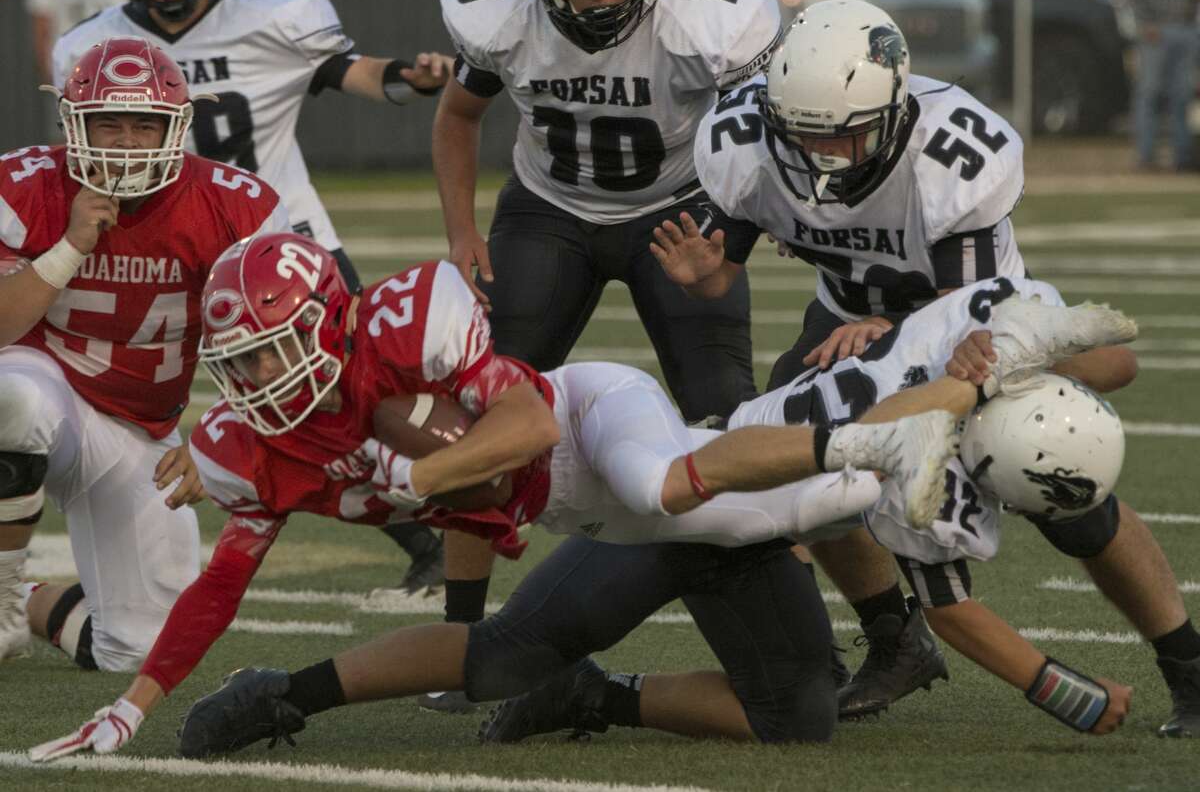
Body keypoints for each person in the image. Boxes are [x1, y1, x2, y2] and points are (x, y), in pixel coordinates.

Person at [26, 233, 1137, 758]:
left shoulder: (408, 327)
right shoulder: (250, 440)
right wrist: (136, 703)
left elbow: (520, 425)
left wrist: (1057, 689)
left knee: (795, 705)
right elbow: (227, 575)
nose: (253, 383)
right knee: (505, 649)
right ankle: (290, 694)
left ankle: (595, 696)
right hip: (619, 495)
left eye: (269, 357)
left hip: (616, 450)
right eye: (244, 366)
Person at [656, 0, 1200, 738]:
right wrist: (707, 277)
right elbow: (725, 271)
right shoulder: (746, 142)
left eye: (842, 138)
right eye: (803, 136)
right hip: (846, 321)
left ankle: (1186, 663)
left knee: (1068, 499)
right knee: (806, 473)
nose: (820, 158)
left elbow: (963, 316)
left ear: (892, 108)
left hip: (979, 330)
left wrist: (894, 335)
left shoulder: (951, 154)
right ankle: (894, 637)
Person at [429, 0, 783, 708]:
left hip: (681, 211)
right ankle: (459, 645)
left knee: (731, 422)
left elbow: (761, 146)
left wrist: (730, 248)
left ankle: (818, 637)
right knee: (483, 415)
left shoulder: (709, 13)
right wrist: (461, 232)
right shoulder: (503, 9)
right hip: (549, 212)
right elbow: (456, 116)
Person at [52, 0, 452, 593]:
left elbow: (351, 72)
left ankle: (436, 533)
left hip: (284, 248)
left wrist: (411, 78)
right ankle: (115, 555)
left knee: (355, 399)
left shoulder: (277, 13)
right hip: (161, 255)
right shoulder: (96, 42)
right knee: (116, 400)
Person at [0, 36, 288, 673]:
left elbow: (284, 346)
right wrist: (71, 244)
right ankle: (0, 593)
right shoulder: (21, 184)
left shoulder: (236, 204)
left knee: (136, 652)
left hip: (138, 429)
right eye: (108, 122)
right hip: (40, 388)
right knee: (13, 398)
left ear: (177, 127)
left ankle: (27, 599)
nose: (126, 143)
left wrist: (225, 431)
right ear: (73, 123)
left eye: (144, 124)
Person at [1128, 0, 1200, 173]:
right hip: (1155, 32)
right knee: (1149, 93)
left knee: (1181, 94)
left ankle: (1182, 157)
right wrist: (1144, 24)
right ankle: (1145, 155)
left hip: (1185, 29)